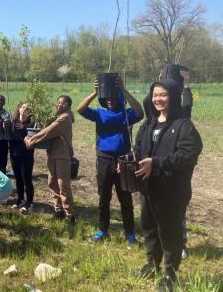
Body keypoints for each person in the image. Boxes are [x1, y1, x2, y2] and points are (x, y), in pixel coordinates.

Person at [131, 79, 202, 291]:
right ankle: (151, 265)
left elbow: (188, 155)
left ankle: (170, 274)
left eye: (163, 95)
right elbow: (139, 147)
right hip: (148, 188)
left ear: (172, 96)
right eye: (155, 95)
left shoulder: (183, 125)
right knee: (149, 227)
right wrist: (130, 164)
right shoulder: (149, 123)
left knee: (169, 231)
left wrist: (157, 163)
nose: (158, 99)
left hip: (172, 190)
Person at [77, 76, 143, 245]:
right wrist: (95, 92)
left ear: (120, 98)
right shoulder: (99, 114)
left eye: (114, 98)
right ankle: (102, 230)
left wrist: (124, 90)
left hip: (123, 162)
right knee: (103, 198)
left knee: (125, 200)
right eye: (107, 98)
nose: (110, 101)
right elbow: (80, 109)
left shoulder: (127, 114)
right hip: (104, 160)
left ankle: (129, 233)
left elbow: (140, 112)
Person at [25, 96, 76, 222]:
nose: (59, 105)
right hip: (53, 154)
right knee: (52, 183)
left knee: (63, 185)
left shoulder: (65, 117)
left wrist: (31, 140)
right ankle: (58, 211)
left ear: (68, 105)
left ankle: (70, 216)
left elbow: (49, 131)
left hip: (63, 155)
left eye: (62, 104)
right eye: (58, 102)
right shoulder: (59, 116)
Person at [9, 102, 35, 213]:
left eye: (27, 108)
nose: (24, 109)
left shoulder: (32, 124)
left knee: (26, 179)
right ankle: (20, 199)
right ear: (19, 109)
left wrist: (24, 128)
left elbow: (33, 137)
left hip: (26, 155)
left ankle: (29, 203)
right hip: (14, 154)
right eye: (23, 107)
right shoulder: (13, 121)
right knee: (18, 179)